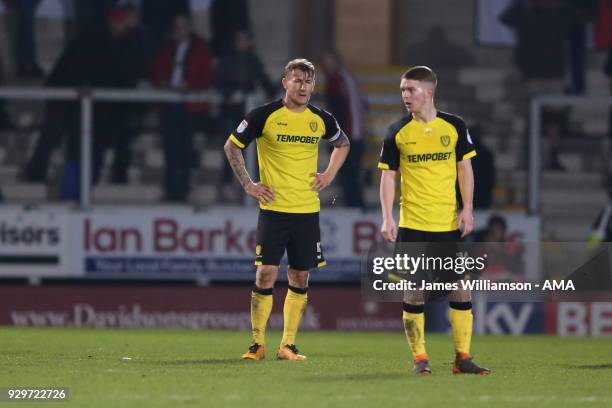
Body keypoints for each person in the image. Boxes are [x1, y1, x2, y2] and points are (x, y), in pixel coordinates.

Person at [224, 59, 350, 361]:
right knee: (266, 273)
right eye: (297, 80)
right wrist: (249, 184)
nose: (303, 86)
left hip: (307, 210)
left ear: (313, 86)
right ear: (285, 83)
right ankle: (256, 344)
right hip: (274, 209)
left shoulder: (321, 119)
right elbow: (232, 146)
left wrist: (329, 175)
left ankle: (288, 345)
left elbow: (342, 144)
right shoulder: (264, 116)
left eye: (308, 81)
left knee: (300, 276)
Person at [378, 66, 489, 375]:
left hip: (447, 225)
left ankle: (462, 358)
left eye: (410, 89)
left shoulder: (454, 126)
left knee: (460, 289)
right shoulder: (397, 131)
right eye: (402, 90)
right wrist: (387, 217)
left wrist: (467, 209)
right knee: (414, 291)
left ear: (429, 91)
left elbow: (464, 169)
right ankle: (420, 359)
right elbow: (388, 176)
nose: (405, 95)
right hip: (413, 225)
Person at [151, 14, 214, 202]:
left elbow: (206, 77)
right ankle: (170, 189)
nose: (180, 31)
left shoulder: (200, 49)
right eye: (177, 27)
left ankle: (184, 189)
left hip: (190, 107)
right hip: (170, 104)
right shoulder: (166, 49)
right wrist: (163, 83)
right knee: (170, 149)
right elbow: (156, 71)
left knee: (186, 150)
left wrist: (190, 86)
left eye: (183, 26)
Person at [321, 50, 367, 208]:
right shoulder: (348, 77)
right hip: (355, 132)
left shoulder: (336, 80)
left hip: (347, 133)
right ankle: (355, 203)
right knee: (351, 172)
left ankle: (354, 205)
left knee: (348, 173)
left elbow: (336, 107)